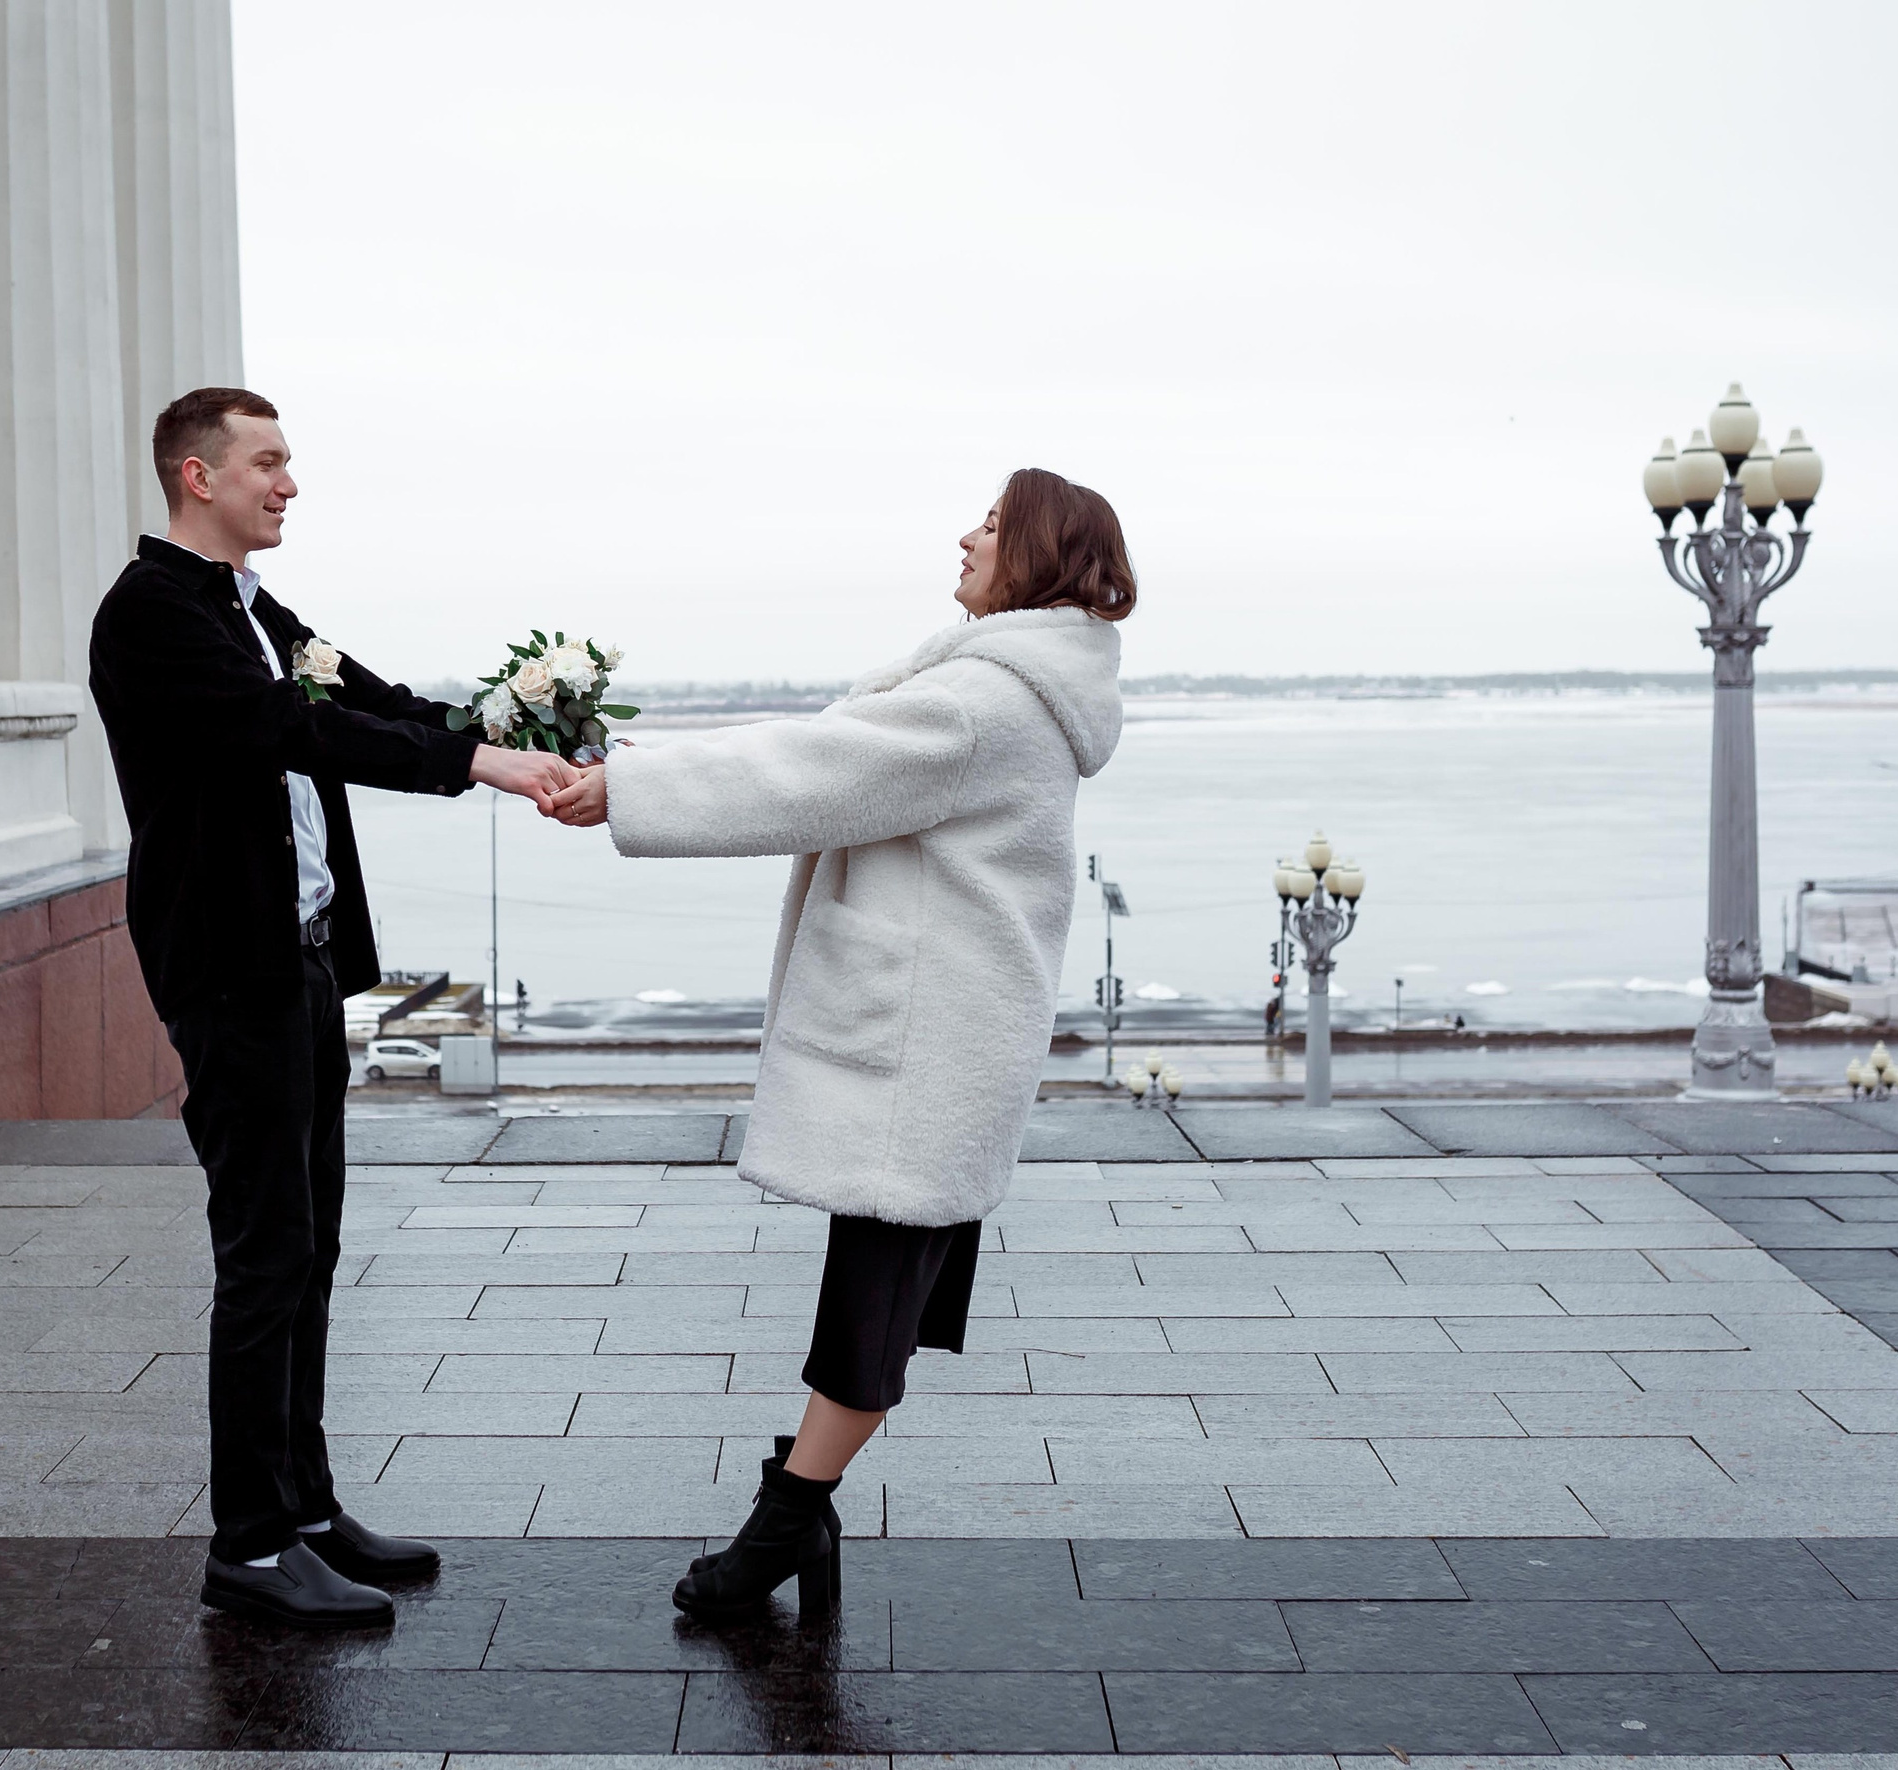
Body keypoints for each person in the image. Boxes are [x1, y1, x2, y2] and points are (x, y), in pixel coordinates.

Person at [547, 467, 1132, 1618]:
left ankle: (778, 1528)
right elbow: (824, 760)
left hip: (923, 1051)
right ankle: (793, 1519)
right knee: (876, 1308)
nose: (964, 536)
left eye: (992, 524)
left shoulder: (982, 702)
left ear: (1039, 556)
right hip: (941, 1041)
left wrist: (625, 791)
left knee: (869, 1321)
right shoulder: (1010, 687)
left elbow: (805, 773)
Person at [88, 388, 574, 1630]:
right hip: (229, 967)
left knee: (310, 1241)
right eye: (268, 462)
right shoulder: (149, 615)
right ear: (198, 477)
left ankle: (303, 1506)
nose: (289, 482)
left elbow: (372, 699)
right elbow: (290, 727)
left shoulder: (262, 612)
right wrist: (476, 764)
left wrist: (508, 729)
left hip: (298, 960)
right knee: (264, 1250)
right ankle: (248, 1544)